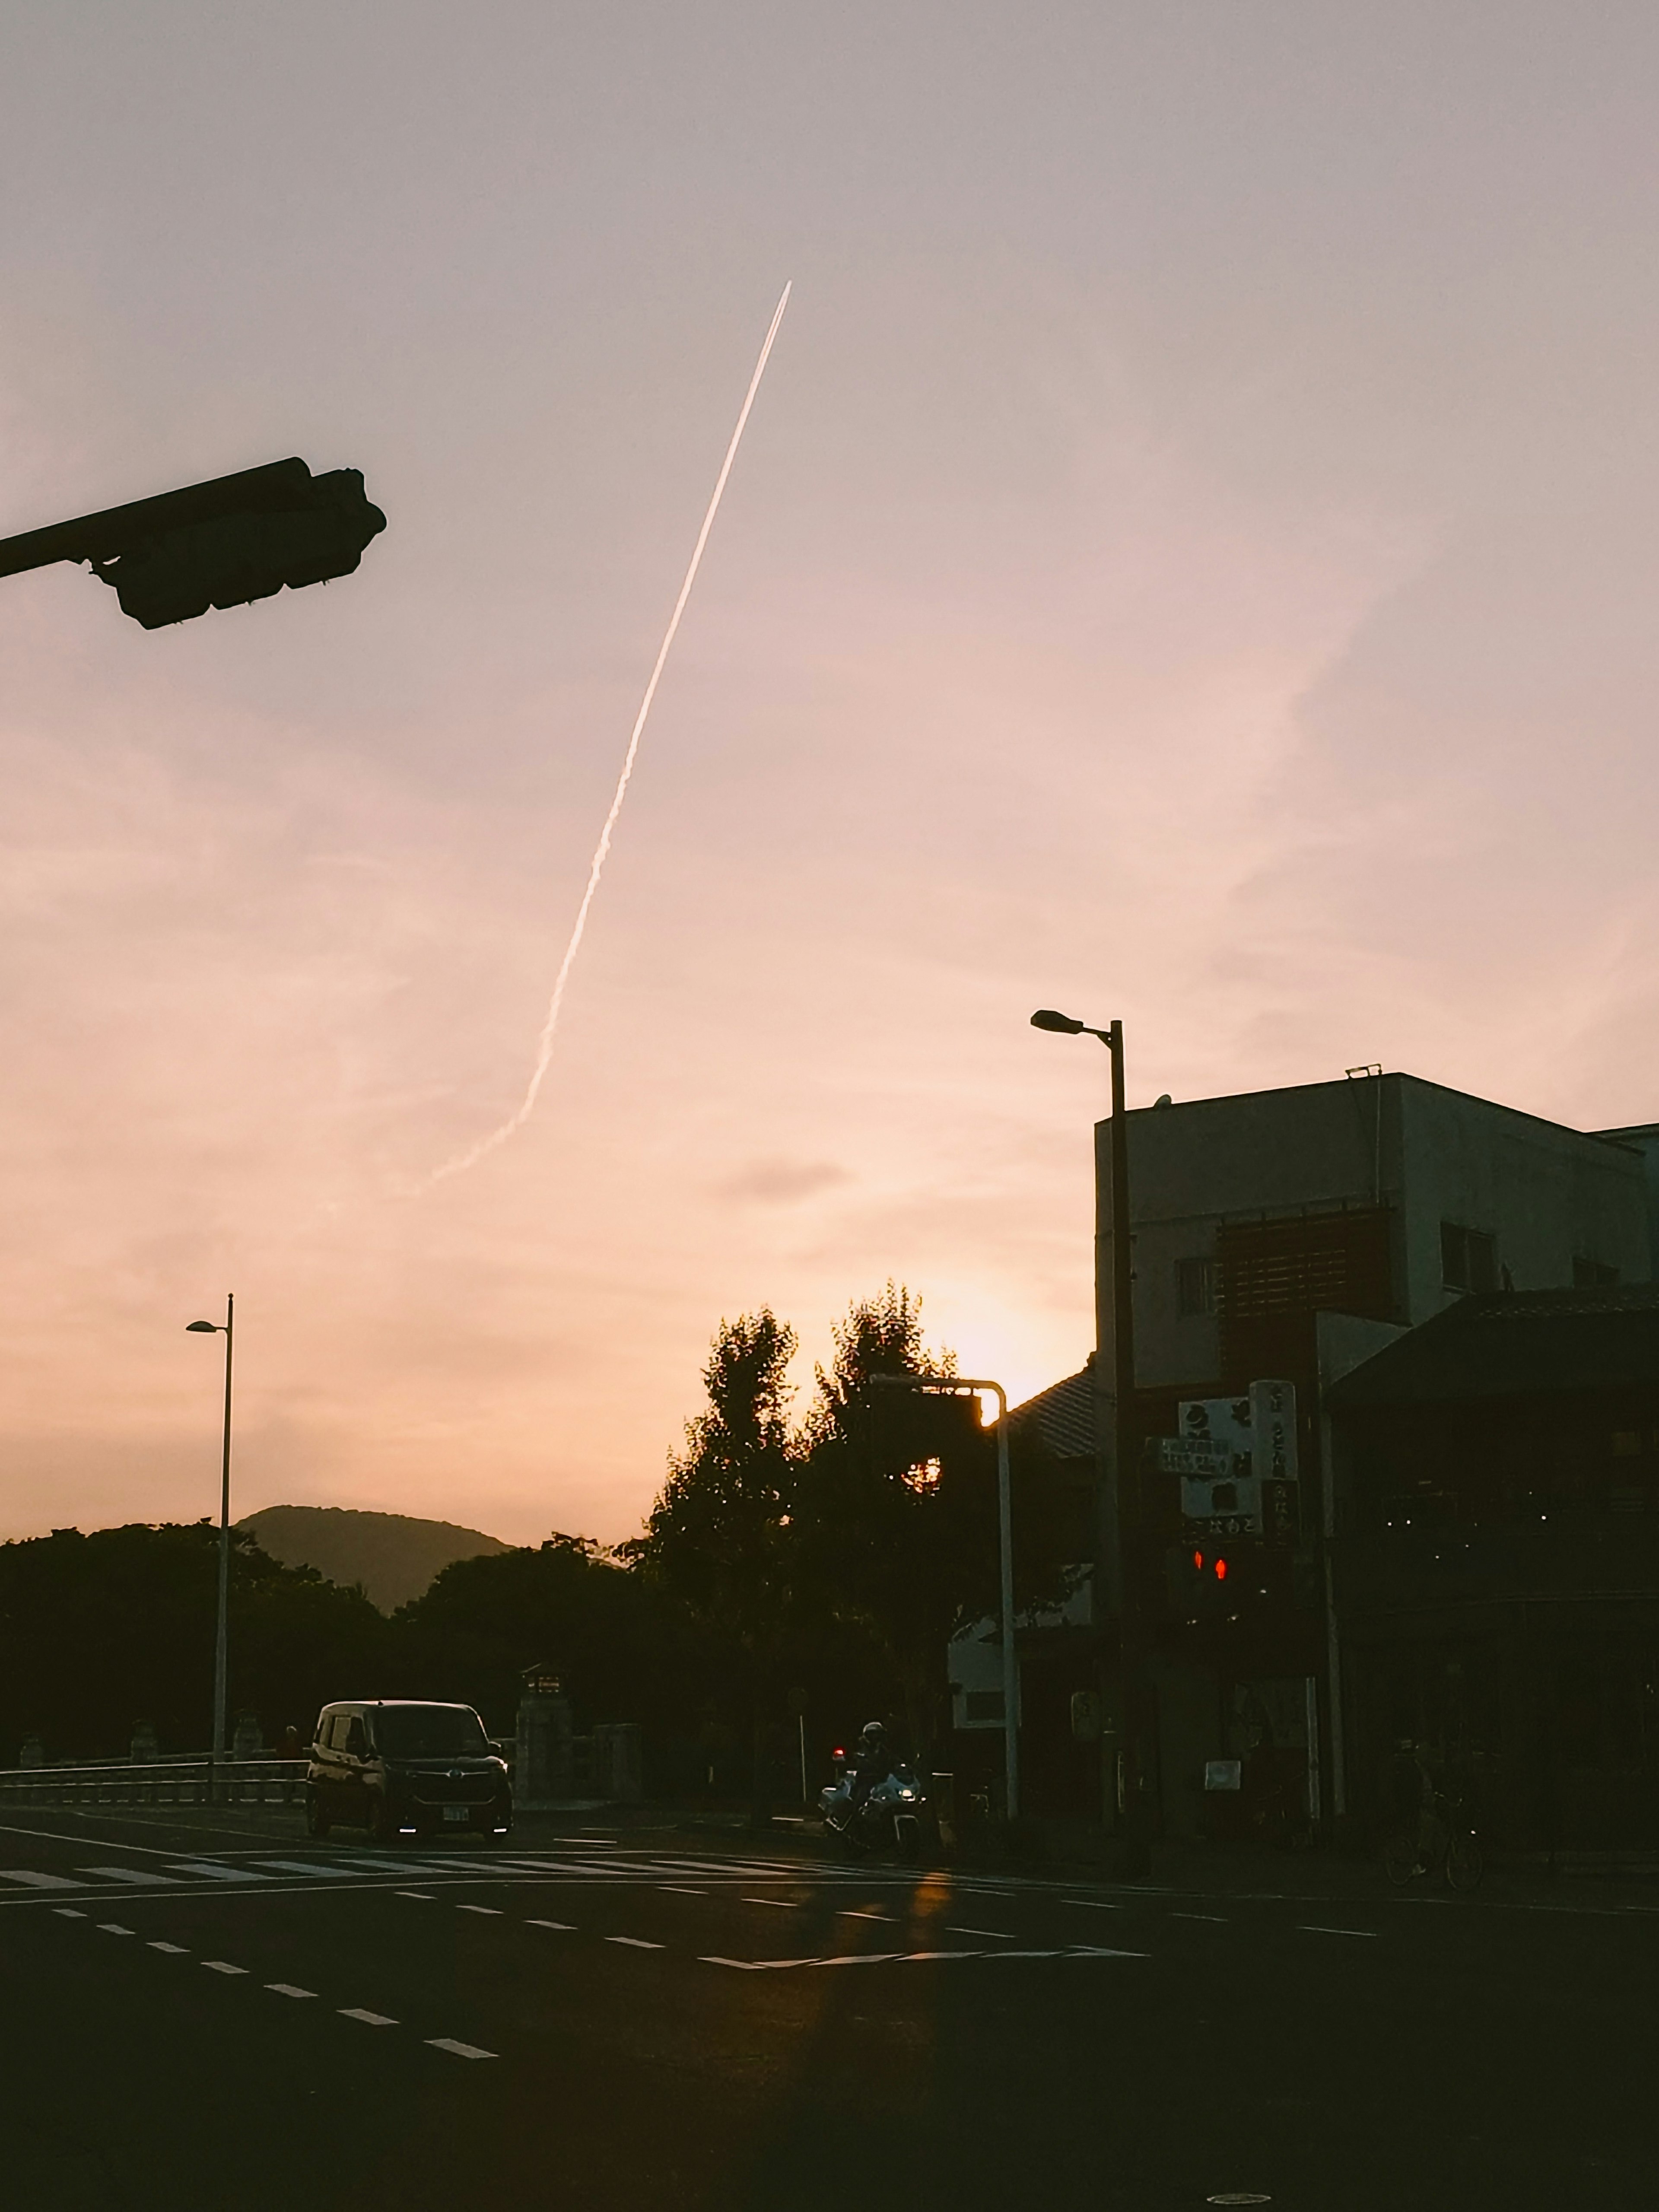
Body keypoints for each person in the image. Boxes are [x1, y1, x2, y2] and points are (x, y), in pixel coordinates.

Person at [830, 1720, 891, 1834]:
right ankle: (849, 1825)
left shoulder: (883, 1750)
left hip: (882, 1780)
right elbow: (849, 1757)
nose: (876, 1737)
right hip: (864, 1779)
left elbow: (892, 1760)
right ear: (867, 1735)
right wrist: (851, 1759)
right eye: (873, 1734)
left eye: (878, 1734)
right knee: (860, 1799)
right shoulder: (859, 1746)